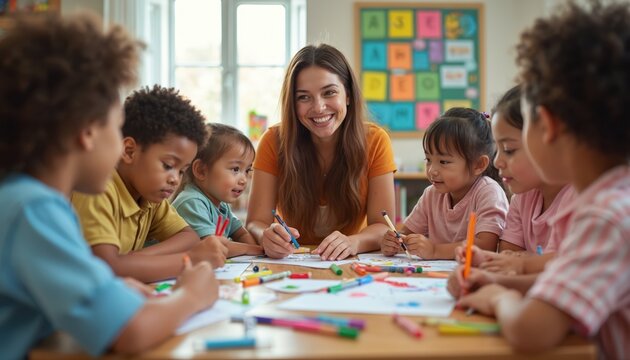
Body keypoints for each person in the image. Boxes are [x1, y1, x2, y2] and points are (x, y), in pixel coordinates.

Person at [0, 13, 218, 359]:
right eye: (117, 129)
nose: (120, 147)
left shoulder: (20, 197)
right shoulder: (34, 209)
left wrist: (108, 287)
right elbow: (129, 333)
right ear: (87, 132)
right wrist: (192, 295)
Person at [452, 2, 630, 358]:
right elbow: (569, 285)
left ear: (547, 125)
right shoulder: (611, 199)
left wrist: (500, 297)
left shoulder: (607, 216)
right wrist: (497, 279)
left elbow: (531, 330)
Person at [246, 43, 397, 260]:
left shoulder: (375, 141)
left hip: (351, 264)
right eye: (304, 97)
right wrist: (266, 236)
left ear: (348, 95)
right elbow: (255, 223)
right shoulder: (272, 141)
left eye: (329, 93)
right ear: (292, 103)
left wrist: (353, 241)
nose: (318, 107)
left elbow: (383, 226)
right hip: (291, 263)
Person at [72, 85, 228, 283]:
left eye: (181, 171)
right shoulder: (98, 189)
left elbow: (189, 237)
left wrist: (134, 259)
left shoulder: (150, 195)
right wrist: (190, 260)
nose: (175, 179)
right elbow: (107, 267)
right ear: (129, 151)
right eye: (168, 165)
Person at [453, 85, 575, 275]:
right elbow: (508, 256)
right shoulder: (522, 197)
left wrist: (521, 265)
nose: (497, 161)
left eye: (509, 150)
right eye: (497, 149)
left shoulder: (577, 197)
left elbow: (560, 268)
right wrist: (487, 259)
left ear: (549, 138)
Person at [381, 108, 509, 259]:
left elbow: (486, 245)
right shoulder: (431, 194)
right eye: (428, 160)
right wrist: (394, 241)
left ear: (478, 165)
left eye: (444, 162)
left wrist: (435, 251)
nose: (432, 170)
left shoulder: (488, 192)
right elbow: (406, 232)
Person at [172, 123, 263, 257]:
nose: (244, 179)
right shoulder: (191, 202)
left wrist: (255, 248)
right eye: (235, 169)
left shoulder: (221, 205)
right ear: (201, 170)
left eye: (247, 170)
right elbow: (215, 246)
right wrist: (255, 250)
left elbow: (241, 233)